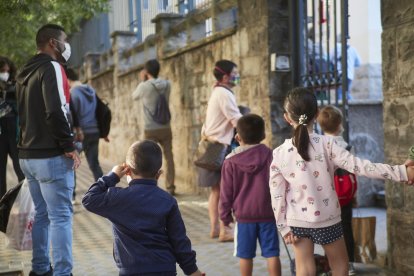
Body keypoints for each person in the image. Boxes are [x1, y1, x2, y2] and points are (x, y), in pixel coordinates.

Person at [269, 87, 414, 276]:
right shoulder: (329, 145)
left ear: (287, 118)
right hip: (328, 219)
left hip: (297, 221)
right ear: (317, 114)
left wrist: (284, 227)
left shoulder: (279, 153)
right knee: (340, 267)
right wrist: (403, 172)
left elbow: (276, 194)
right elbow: (361, 167)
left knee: (304, 269)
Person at [15, 24, 81, 276]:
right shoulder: (52, 67)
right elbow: (55, 110)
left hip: (27, 157)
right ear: (53, 43)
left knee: (42, 214)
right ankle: (63, 273)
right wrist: (68, 145)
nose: (67, 45)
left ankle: (40, 269)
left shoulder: (24, 71)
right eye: (64, 40)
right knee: (61, 217)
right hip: (50, 156)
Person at [82, 140, 203, 276]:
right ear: (159, 174)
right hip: (164, 268)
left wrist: (113, 176)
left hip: (131, 271)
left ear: (127, 171)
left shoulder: (118, 198)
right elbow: (179, 240)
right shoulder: (168, 201)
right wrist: (192, 270)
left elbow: (88, 199)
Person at [220, 114, 281, 276]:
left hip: (244, 216)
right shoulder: (270, 155)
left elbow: (226, 193)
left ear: (237, 137)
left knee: (245, 255)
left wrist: (225, 217)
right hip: (268, 214)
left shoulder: (230, 161)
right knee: (272, 253)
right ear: (263, 135)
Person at [197, 59, 242, 241]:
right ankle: (226, 230)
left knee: (216, 191)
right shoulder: (224, 93)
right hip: (220, 147)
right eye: (235, 73)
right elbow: (235, 118)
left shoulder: (217, 91)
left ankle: (215, 228)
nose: (237, 76)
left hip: (211, 145)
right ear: (225, 76)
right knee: (225, 190)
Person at [317, 105, 356, 275]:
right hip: (344, 196)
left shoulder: (319, 145)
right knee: (346, 229)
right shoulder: (346, 146)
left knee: (328, 232)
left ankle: (329, 265)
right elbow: (354, 172)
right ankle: (350, 264)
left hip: (326, 196)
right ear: (340, 123)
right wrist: (355, 195)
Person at [132, 59, 176, 195]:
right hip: (165, 127)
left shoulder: (144, 86)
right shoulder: (167, 84)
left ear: (146, 72)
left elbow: (134, 97)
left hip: (150, 128)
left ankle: (151, 187)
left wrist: (142, 80)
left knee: (149, 157)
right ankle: (170, 187)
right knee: (169, 157)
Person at [66, 68, 105, 202]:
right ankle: (103, 191)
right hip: (95, 131)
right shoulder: (91, 90)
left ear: (68, 79)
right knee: (94, 164)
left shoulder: (72, 93)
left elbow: (73, 115)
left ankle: (72, 196)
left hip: (81, 133)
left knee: (72, 163)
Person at [0, 56, 25, 198]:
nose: (5, 72)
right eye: (2, 70)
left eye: (7, 70)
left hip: (15, 131)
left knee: (20, 167)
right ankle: (2, 203)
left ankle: (26, 198)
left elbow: (22, 106)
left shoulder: (16, 84)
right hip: (1, 132)